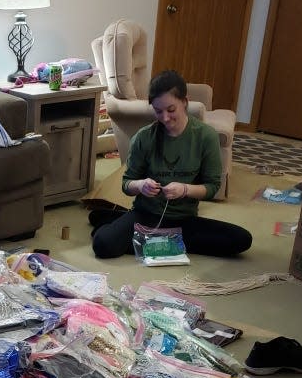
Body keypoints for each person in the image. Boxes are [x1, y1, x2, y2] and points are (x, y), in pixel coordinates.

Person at [91, 69, 252, 259]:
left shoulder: (205, 136)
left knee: (241, 239)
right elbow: (127, 184)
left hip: (185, 221)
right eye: (158, 111)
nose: (165, 118)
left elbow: (212, 187)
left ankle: (138, 232)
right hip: (146, 215)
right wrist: (141, 186)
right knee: (102, 244)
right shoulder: (144, 137)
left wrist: (185, 189)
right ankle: (164, 240)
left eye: (171, 110)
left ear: (185, 102)